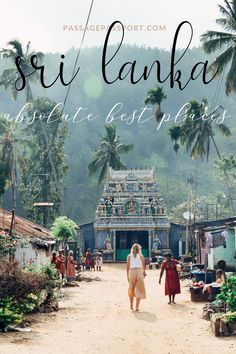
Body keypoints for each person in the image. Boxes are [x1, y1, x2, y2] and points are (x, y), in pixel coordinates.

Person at [126, 243, 146, 311]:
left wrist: (127, 276)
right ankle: (137, 307)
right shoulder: (141, 256)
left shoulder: (129, 256)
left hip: (131, 272)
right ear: (139, 249)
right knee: (139, 289)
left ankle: (131, 305)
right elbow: (143, 265)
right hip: (139, 271)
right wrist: (144, 272)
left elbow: (127, 267)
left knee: (131, 288)